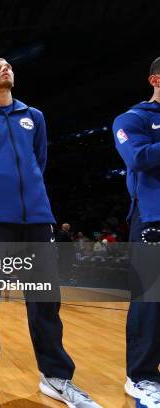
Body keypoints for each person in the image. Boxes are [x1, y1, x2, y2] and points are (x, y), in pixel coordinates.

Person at [0, 58, 99, 408]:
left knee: (45, 303)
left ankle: (55, 377)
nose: (4, 68)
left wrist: (29, 200)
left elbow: (39, 162)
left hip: (36, 219)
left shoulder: (35, 117)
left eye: (8, 65)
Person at [112, 56, 160, 407]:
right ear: (155, 79)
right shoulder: (133, 119)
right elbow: (138, 157)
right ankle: (141, 377)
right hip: (153, 217)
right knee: (150, 300)